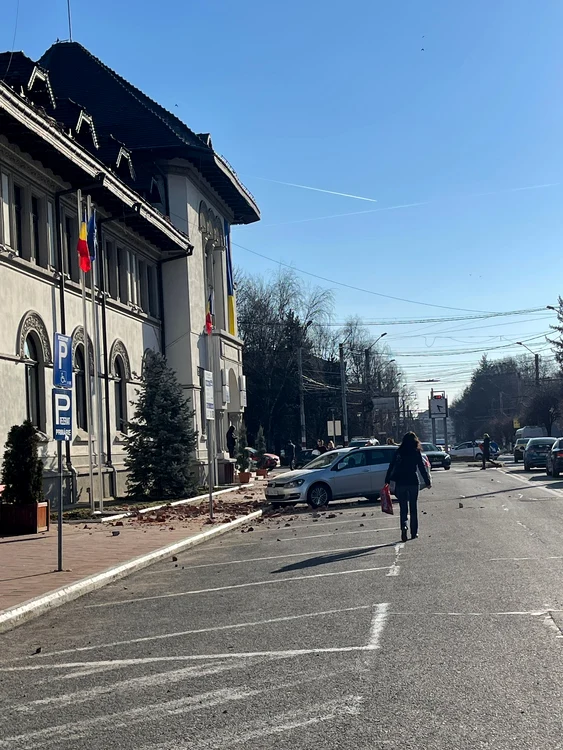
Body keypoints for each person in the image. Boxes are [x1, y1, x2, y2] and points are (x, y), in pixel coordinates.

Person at [385, 431, 431, 543]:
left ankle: (404, 526)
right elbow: (421, 467)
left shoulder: (399, 452)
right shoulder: (416, 452)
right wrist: (427, 481)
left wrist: (387, 481)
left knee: (403, 508)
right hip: (413, 481)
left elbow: (391, 466)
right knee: (413, 507)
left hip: (401, 482)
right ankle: (414, 532)